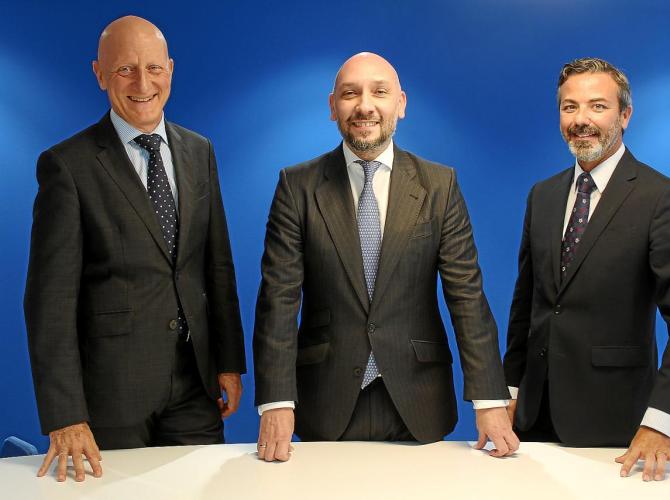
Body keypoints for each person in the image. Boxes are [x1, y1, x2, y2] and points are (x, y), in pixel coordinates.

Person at [253, 52, 518, 462]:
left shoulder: (440, 185)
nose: (365, 106)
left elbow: (466, 296)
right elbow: (278, 299)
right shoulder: (297, 186)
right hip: (325, 399)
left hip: (420, 398)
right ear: (333, 106)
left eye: (379, 92)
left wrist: (489, 400)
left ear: (401, 103)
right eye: (350, 94)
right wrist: (276, 402)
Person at [24, 16, 246, 482]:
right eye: (125, 69)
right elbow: (50, 301)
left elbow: (217, 266)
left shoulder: (199, 150)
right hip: (110, 397)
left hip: (195, 385)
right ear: (100, 74)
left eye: (153, 68)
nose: (142, 84)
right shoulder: (67, 166)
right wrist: (65, 415)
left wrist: (229, 362)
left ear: (170, 69)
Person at [503, 57, 670, 481]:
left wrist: (662, 422)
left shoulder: (662, 198)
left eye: (597, 106)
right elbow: (526, 307)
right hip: (531, 423)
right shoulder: (542, 196)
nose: (581, 119)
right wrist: (508, 391)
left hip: (622, 430)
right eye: (570, 107)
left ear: (625, 115)